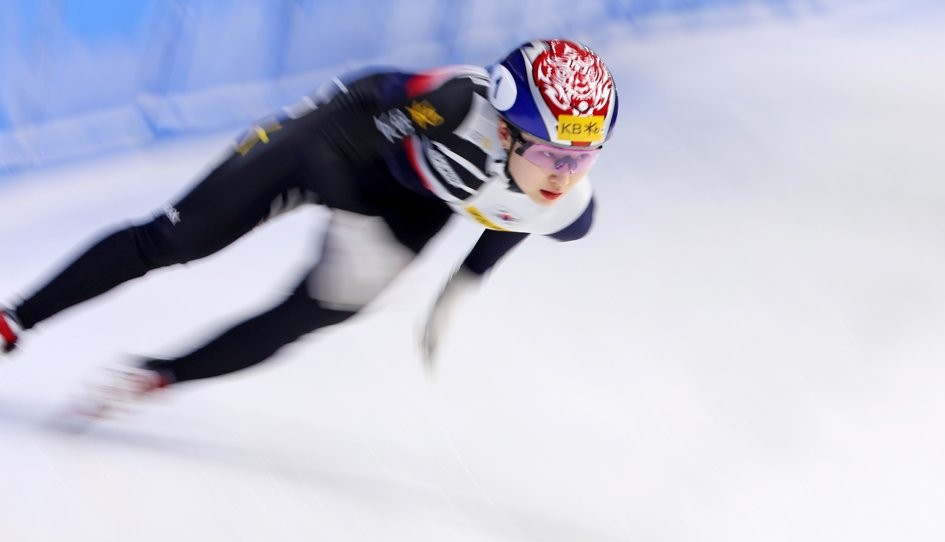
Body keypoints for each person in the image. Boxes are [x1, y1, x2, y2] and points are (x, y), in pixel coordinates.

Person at [0, 38, 618, 411]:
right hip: (336, 139)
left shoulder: (564, 202)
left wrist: (463, 285)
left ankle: (159, 376)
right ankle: (15, 319)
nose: (563, 174)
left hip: (411, 200)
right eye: (549, 153)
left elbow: (522, 217)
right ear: (505, 128)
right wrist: (352, 219)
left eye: (581, 158)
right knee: (178, 238)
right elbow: (358, 142)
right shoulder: (453, 104)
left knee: (321, 308)